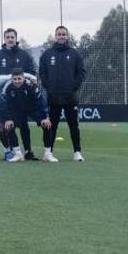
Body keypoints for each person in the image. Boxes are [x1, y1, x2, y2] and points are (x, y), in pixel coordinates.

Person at [39, 25, 87, 162]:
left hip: (70, 97)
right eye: (59, 34)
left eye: (64, 34)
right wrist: (49, 86)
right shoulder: (47, 54)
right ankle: (48, 152)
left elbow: (81, 72)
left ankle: (77, 152)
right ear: (55, 36)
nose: (61, 36)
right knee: (51, 126)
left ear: (67, 36)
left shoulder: (74, 54)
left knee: (73, 125)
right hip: (53, 97)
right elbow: (42, 73)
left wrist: (73, 87)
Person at [0, 28, 38, 159]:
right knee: (7, 123)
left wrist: (30, 84)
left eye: (12, 37)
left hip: (22, 96)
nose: (10, 39)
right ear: (4, 39)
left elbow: (31, 72)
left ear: (16, 39)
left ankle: (28, 151)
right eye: (8, 37)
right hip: (5, 96)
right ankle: (13, 151)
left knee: (24, 125)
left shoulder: (24, 55)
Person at [1, 69, 56, 163]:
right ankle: (18, 154)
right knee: (9, 126)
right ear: (11, 79)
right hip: (17, 110)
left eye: (19, 79)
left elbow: (40, 101)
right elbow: (4, 104)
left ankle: (47, 154)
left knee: (47, 125)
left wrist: (45, 117)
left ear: (23, 78)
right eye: (15, 79)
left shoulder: (31, 85)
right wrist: (8, 119)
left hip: (33, 108)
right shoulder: (7, 87)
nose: (17, 81)